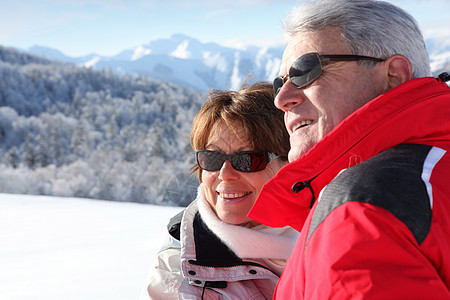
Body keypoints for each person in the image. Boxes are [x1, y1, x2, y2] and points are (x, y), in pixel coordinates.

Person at [248, 0, 450, 299]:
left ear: (394, 74)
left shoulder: (362, 207)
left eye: (306, 70)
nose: (282, 99)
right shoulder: (429, 175)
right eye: (280, 83)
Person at [143, 82, 297, 299]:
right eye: (212, 158)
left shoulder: (330, 228)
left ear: (288, 162)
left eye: (247, 159)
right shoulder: (182, 270)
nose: (225, 174)